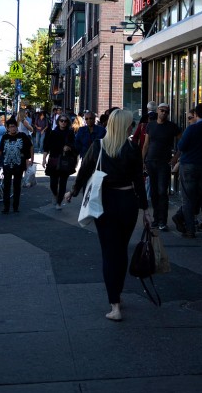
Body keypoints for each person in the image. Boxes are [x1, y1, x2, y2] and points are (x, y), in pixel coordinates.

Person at [64, 108, 151, 322]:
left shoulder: (99, 146)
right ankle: (117, 295)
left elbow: (84, 171)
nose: (132, 127)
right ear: (124, 126)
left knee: (109, 253)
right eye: (130, 124)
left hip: (105, 204)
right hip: (128, 203)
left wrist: (73, 192)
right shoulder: (132, 148)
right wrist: (145, 209)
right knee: (120, 251)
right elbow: (139, 181)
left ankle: (115, 304)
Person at [171, 103, 202, 238]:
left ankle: (190, 229)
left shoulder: (192, 129)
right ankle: (180, 216)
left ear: (196, 114)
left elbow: (181, 145)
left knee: (188, 197)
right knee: (196, 195)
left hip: (188, 166)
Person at [142, 102, 181, 231]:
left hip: (164, 163)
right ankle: (156, 219)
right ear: (157, 111)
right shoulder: (150, 126)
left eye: (166, 111)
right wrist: (142, 160)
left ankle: (163, 221)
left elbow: (182, 143)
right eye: (162, 110)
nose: (164, 113)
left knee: (162, 192)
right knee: (153, 192)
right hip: (151, 161)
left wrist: (175, 157)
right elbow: (146, 144)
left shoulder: (172, 127)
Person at [0, 118, 33, 214]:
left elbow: (31, 146)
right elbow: (0, 149)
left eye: (14, 126)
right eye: (10, 127)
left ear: (16, 127)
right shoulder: (5, 137)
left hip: (19, 166)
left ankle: (15, 207)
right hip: (7, 165)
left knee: (17, 187)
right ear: (7, 128)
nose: (13, 128)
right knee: (6, 186)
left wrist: (31, 159)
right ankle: (6, 207)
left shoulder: (22, 136)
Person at [42, 114, 77, 208]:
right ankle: (55, 195)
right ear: (58, 122)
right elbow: (47, 147)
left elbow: (75, 146)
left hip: (65, 160)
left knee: (63, 183)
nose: (63, 122)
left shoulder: (70, 133)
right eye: (61, 120)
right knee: (53, 184)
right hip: (54, 159)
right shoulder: (53, 132)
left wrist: (69, 148)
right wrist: (44, 159)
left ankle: (59, 202)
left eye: (65, 121)